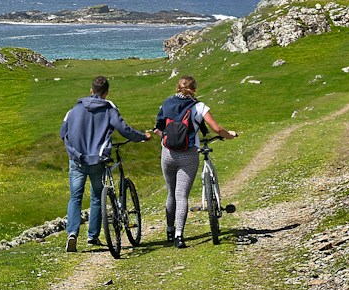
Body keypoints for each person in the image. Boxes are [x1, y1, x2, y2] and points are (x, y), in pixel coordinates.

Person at [59, 75, 149, 251]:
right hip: (97, 160)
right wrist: (142, 137)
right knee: (96, 197)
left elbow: (63, 132)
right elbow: (124, 129)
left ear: (91, 90)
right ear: (106, 92)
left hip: (77, 159)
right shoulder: (109, 109)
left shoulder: (74, 109)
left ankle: (72, 233)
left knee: (75, 197)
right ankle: (92, 236)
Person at [154, 75, 238, 248]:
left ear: (178, 87)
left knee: (171, 193)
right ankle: (179, 236)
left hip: (168, 153)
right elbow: (216, 129)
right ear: (195, 89)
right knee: (181, 195)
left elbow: (157, 129)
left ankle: (169, 230)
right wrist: (230, 135)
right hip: (189, 155)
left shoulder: (166, 103)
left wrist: (168, 140)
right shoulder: (199, 106)